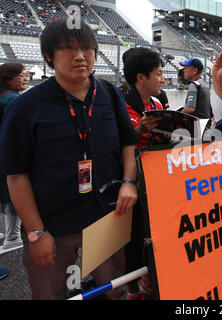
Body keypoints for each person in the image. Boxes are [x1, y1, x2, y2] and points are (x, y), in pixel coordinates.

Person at [0, 18, 138, 300]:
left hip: (106, 217)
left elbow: (128, 144)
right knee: (49, 293)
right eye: (68, 48)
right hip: (53, 223)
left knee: (114, 291)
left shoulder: (109, 94)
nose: (80, 56)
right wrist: (36, 232)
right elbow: (16, 174)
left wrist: (128, 182)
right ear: (49, 55)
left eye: (87, 48)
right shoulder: (26, 107)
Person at [121, 47, 165, 300]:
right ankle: (132, 287)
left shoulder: (158, 102)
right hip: (131, 184)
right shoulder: (120, 103)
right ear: (141, 77)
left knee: (155, 233)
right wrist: (138, 131)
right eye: (158, 74)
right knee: (135, 237)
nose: (163, 79)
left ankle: (151, 278)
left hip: (157, 180)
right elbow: (113, 144)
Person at [0, 62, 28, 250]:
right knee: (13, 194)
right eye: (22, 75)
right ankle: (12, 237)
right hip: (9, 154)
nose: (26, 78)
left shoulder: (4, 97)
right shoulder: (13, 100)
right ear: (9, 77)